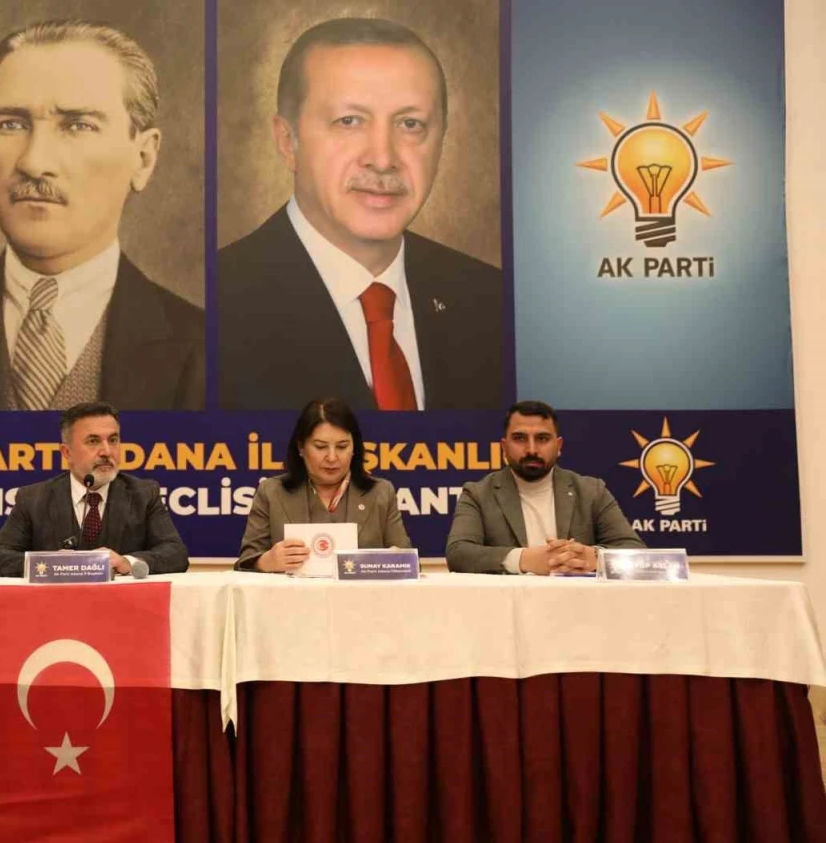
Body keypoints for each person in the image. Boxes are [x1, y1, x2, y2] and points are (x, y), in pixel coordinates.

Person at [217, 18, 502, 411]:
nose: (383, 159)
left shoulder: (492, 302)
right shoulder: (218, 310)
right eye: (349, 121)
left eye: (411, 124)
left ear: (442, 141)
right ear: (287, 142)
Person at [0, 19, 204, 410]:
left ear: (143, 158)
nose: (34, 162)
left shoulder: (206, 349)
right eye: (11, 124)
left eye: (77, 125)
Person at [0, 401, 188, 576]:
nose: (106, 451)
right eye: (93, 441)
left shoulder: (143, 494)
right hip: (55, 605)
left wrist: (127, 562)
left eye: (113, 440)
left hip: (122, 605)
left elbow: (176, 554)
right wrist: (50, 564)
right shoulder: (33, 499)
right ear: (67, 452)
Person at [446, 400, 645, 574]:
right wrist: (525, 560)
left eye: (542, 439)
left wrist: (593, 557)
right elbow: (458, 554)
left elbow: (635, 551)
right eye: (520, 438)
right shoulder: (478, 494)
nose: (531, 449)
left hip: (580, 600)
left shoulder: (592, 491)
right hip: (510, 603)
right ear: (504, 447)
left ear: (558, 446)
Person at [237, 397, 410, 571]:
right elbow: (245, 563)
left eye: (342, 447)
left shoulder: (381, 492)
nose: (332, 457)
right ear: (301, 447)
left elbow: (407, 564)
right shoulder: (271, 492)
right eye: (320, 447)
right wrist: (265, 562)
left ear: (354, 448)